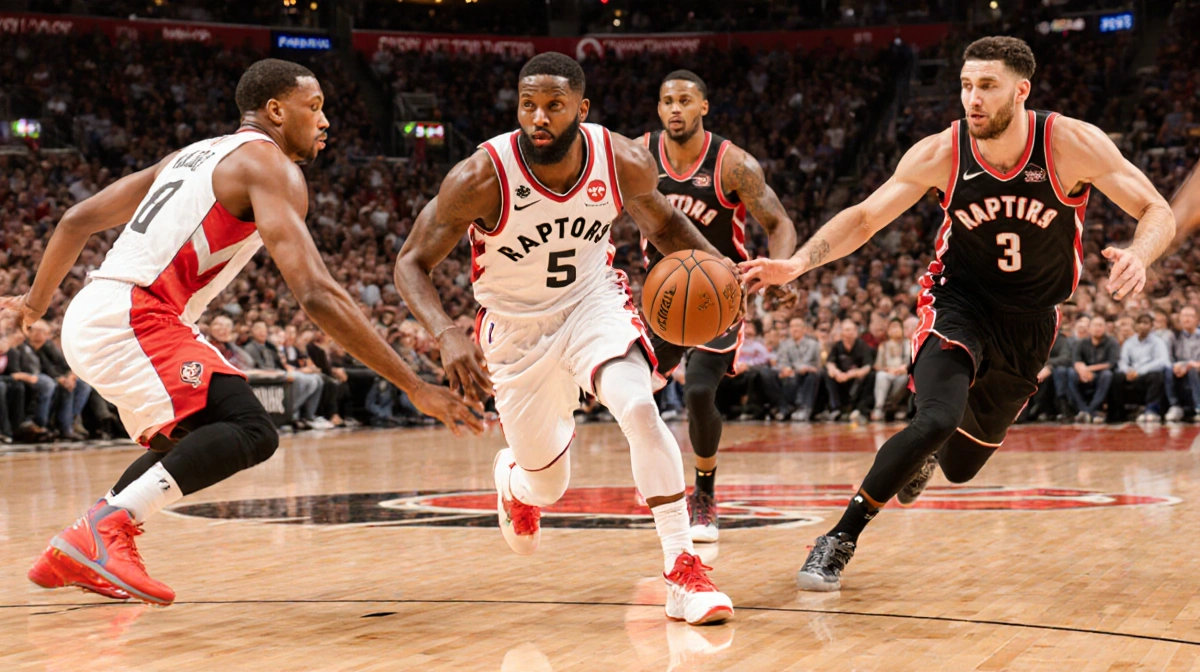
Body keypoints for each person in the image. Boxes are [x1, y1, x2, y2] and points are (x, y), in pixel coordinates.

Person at [12, 59, 482, 607]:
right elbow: (317, 294)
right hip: (135, 315)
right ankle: (102, 529)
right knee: (250, 427)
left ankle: (78, 546)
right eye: (316, 107)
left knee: (194, 441)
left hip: (101, 308)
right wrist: (414, 386)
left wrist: (34, 302)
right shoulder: (269, 165)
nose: (326, 121)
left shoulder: (189, 155)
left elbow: (75, 220)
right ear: (276, 111)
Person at [739, 36, 1174, 591]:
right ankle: (839, 538)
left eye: (987, 86)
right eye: (966, 85)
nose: (972, 98)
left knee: (961, 467)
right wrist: (798, 264)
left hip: (1030, 321)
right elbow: (867, 216)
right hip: (957, 301)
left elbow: (1154, 207)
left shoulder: (1069, 144)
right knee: (937, 418)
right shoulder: (942, 151)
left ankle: (926, 454)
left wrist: (1140, 252)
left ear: (1021, 91)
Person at [394, 53, 734, 625]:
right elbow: (411, 263)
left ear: (582, 107)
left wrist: (725, 272)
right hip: (514, 327)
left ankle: (683, 568)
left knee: (638, 406)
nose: (539, 117)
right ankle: (516, 483)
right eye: (528, 104)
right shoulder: (481, 176)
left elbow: (667, 226)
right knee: (548, 485)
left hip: (590, 302)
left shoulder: (620, 159)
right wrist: (446, 332)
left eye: (554, 105)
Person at [624, 70, 796, 542]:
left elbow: (778, 222)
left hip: (722, 298)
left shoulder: (731, 164)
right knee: (631, 391)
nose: (675, 108)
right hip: (661, 299)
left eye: (684, 100)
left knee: (699, 392)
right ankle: (656, 479)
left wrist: (779, 269)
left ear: (704, 107)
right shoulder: (637, 155)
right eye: (666, 101)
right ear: (658, 110)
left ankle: (703, 493)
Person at [1112, 314, 1171, 423]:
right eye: (1140, 323)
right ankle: (1118, 412)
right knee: (1116, 376)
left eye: (1146, 323)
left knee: (1157, 376)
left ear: (1151, 326)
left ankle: (1151, 410)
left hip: (1147, 373)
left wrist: (1139, 372)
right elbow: (1123, 360)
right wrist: (1127, 371)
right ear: (1135, 326)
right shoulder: (1129, 342)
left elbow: (1162, 361)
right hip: (1132, 373)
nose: (1142, 326)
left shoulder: (1157, 342)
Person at [1069, 316, 1119, 423]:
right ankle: (1082, 408)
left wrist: (1088, 369)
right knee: (1071, 373)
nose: (1098, 328)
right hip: (1084, 374)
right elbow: (1075, 361)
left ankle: (1090, 410)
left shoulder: (1112, 342)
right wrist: (1082, 371)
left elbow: (1111, 363)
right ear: (1089, 328)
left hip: (1101, 373)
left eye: (1100, 325)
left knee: (1107, 374)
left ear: (1105, 328)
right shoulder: (1081, 343)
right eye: (1095, 325)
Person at [822, 320, 875, 422]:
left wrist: (851, 374)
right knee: (827, 373)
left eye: (852, 330)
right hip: (840, 379)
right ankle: (835, 409)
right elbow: (829, 363)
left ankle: (860, 410)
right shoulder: (837, 346)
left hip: (857, 379)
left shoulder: (862, 346)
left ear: (856, 332)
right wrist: (836, 372)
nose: (849, 333)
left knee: (871, 375)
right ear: (842, 332)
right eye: (847, 330)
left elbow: (867, 366)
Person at [871, 318, 910, 421]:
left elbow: (910, 362)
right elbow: (878, 365)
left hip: (902, 372)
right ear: (888, 331)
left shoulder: (908, 344)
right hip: (887, 373)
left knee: (905, 378)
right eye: (892, 327)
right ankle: (879, 407)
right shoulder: (883, 345)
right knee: (880, 376)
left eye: (897, 327)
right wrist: (887, 369)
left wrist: (901, 369)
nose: (895, 330)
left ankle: (890, 404)